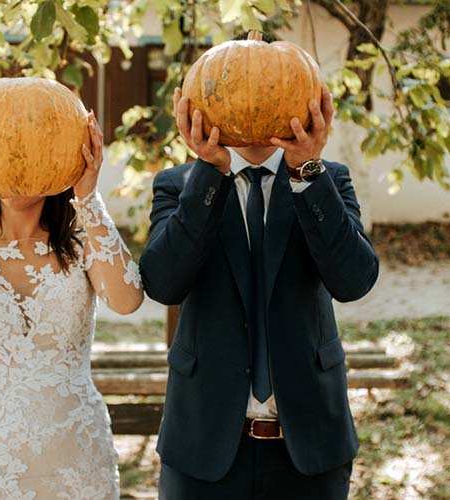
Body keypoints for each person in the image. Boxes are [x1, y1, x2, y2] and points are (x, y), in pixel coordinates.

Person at [139, 84, 380, 499]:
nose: (253, 105)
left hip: (310, 445)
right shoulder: (180, 185)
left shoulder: (326, 179)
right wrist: (209, 173)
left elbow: (354, 281)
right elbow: (163, 283)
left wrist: (307, 171)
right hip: (202, 444)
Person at [0, 112, 143, 499]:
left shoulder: (82, 243)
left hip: (76, 454)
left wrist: (87, 197)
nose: (18, 163)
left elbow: (127, 300)